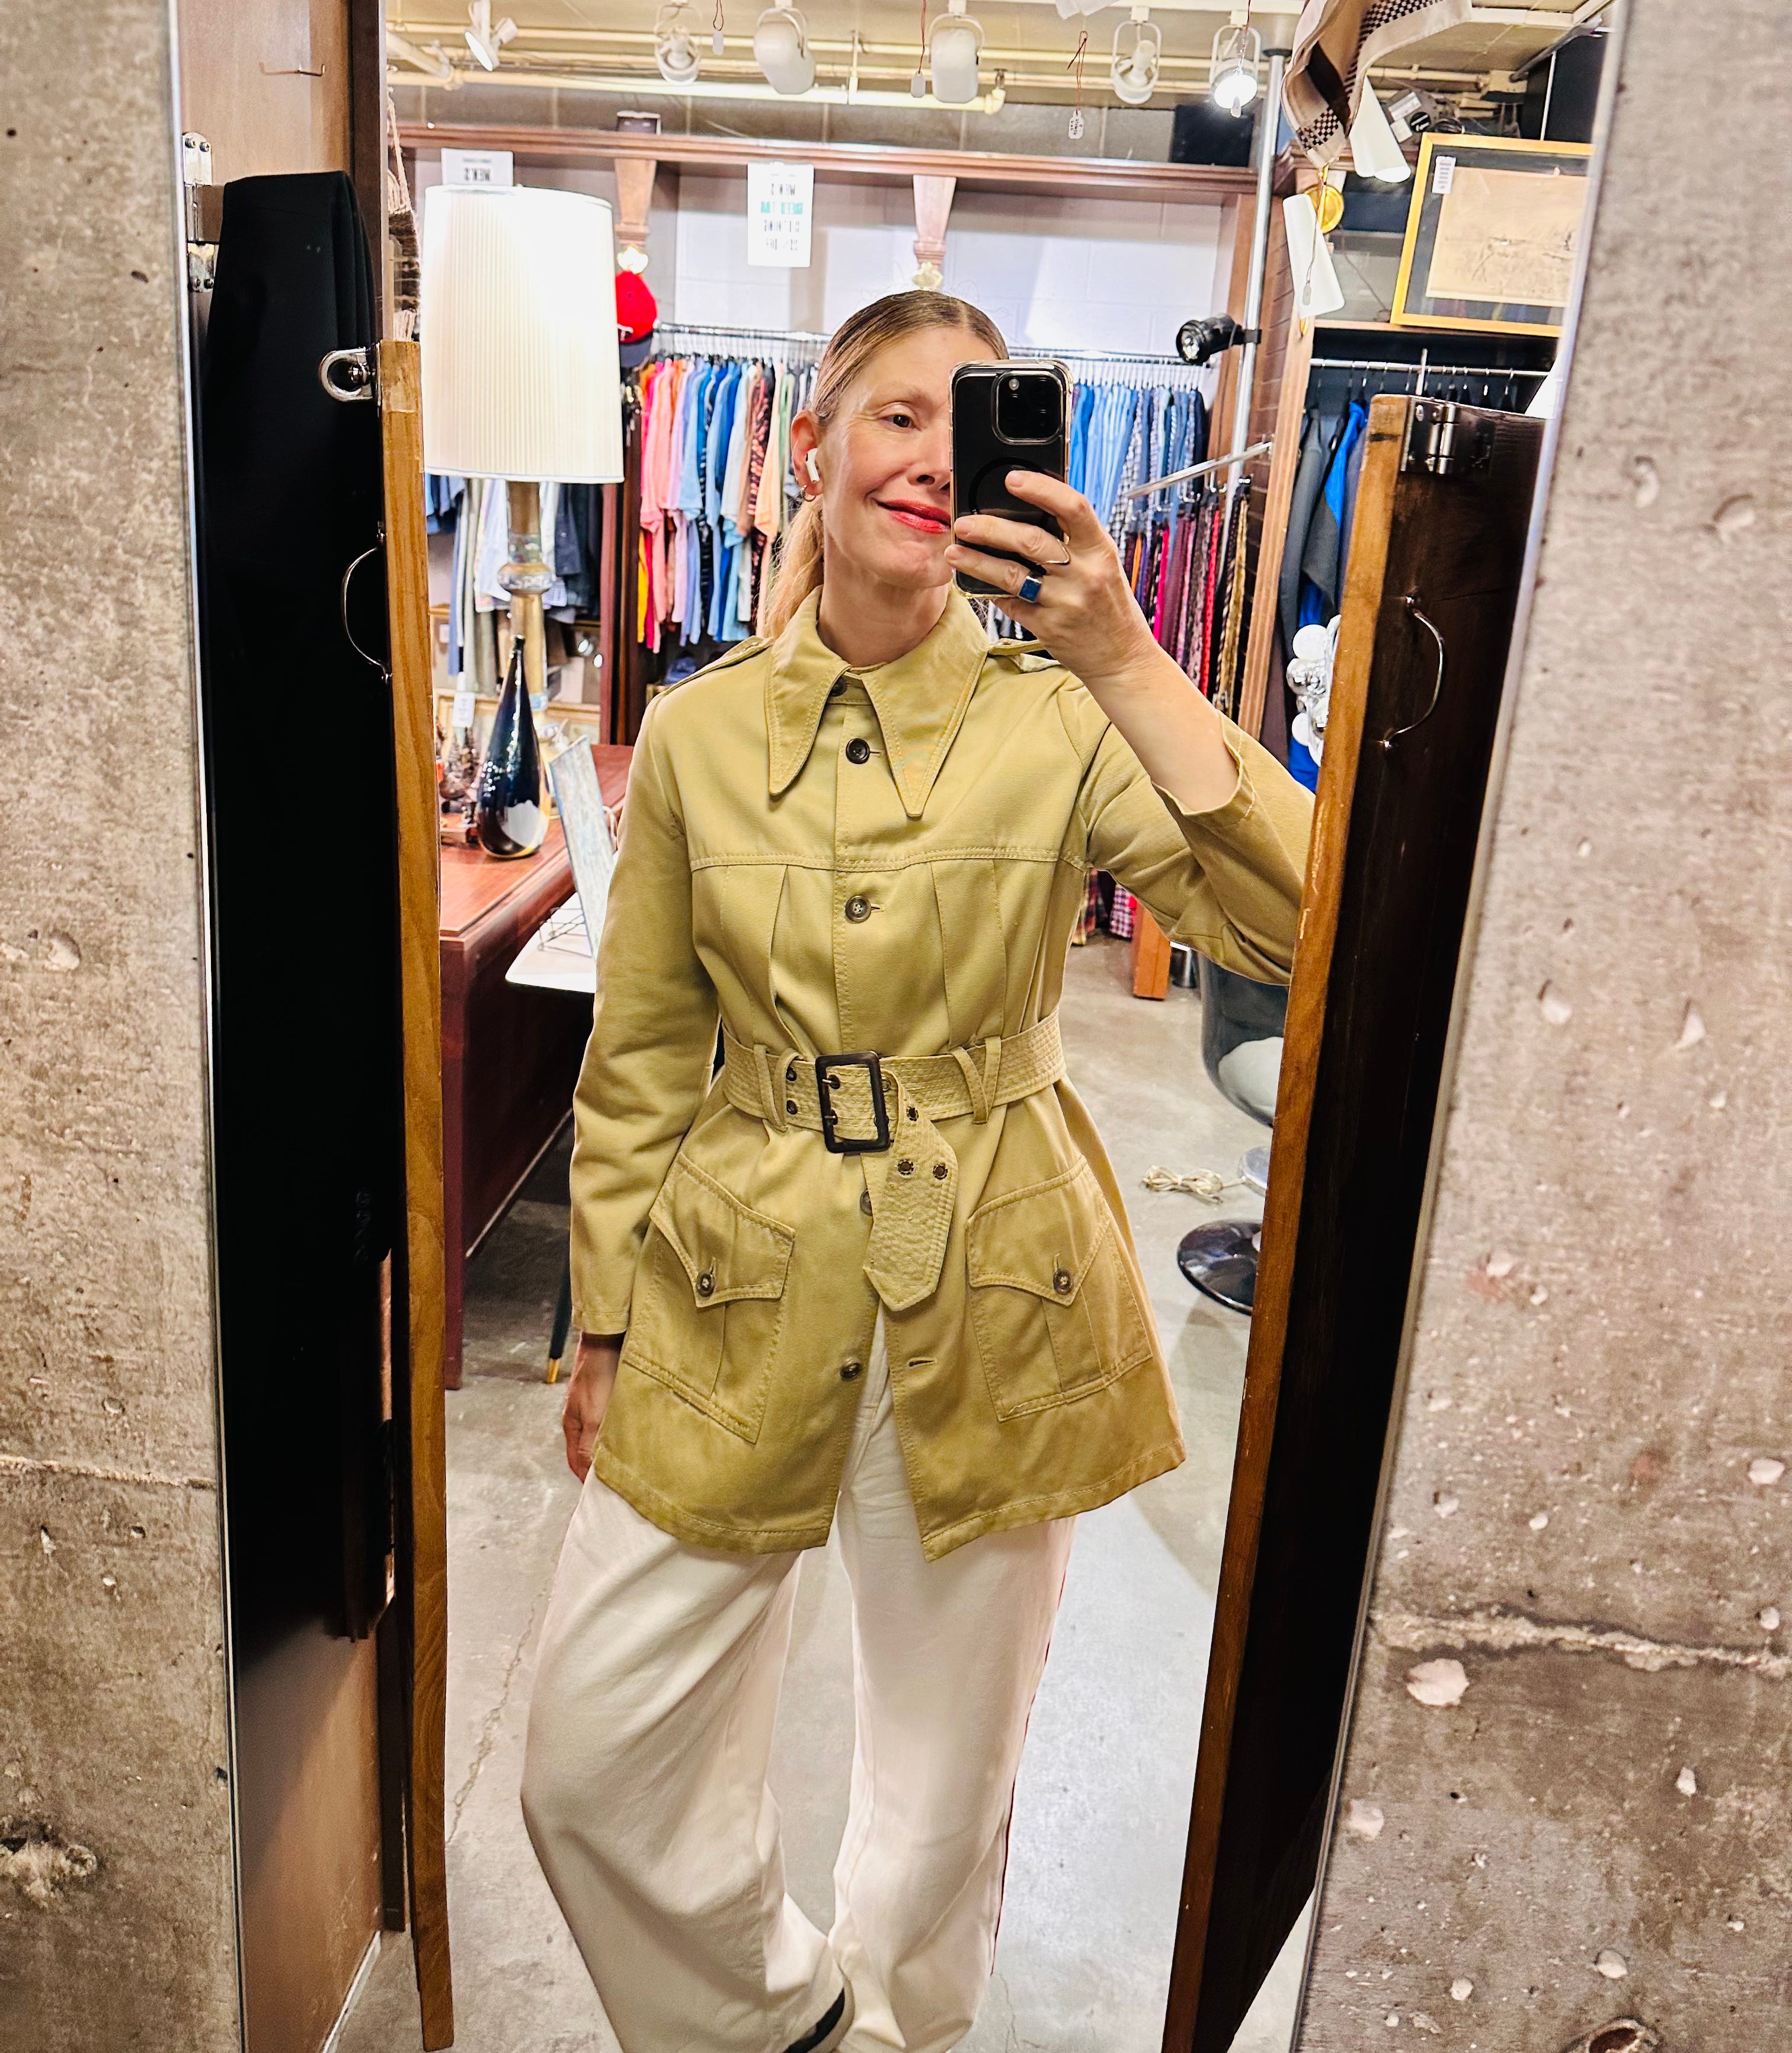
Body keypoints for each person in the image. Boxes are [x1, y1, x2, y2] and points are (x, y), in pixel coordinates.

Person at [521, 290, 1313, 2053]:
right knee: (590, 1759)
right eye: (896, 416)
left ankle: (905, 2035)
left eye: (975, 422)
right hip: (737, 1268)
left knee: (948, 1799)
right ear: (808, 449)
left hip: (1001, 1274)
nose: (936, 459)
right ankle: (789, 2026)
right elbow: (639, 1055)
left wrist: (1126, 658)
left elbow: (1297, 926)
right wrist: (603, 1325)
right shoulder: (703, 734)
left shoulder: (1065, 714)